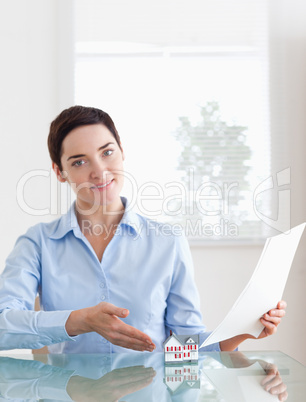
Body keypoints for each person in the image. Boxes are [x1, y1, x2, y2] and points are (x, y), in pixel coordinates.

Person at [0, 106, 286, 354]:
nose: (99, 171)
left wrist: (243, 331)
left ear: (122, 151)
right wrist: (81, 320)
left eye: (107, 152)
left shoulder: (167, 242)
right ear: (59, 172)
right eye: (79, 161)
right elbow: (4, 325)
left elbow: (185, 342)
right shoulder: (37, 243)